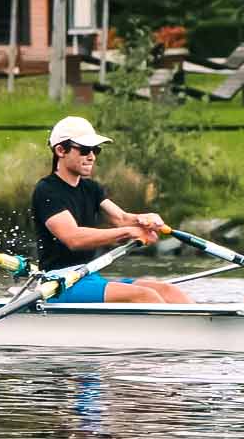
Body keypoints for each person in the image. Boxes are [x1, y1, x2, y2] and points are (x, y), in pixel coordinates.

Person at [30, 116, 192, 304]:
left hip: (88, 277)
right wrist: (129, 232)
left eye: (95, 150)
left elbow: (122, 218)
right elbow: (73, 238)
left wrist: (146, 219)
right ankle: (168, 332)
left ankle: (197, 331)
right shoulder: (47, 190)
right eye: (84, 150)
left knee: (168, 291)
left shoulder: (91, 188)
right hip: (59, 284)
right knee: (144, 296)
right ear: (60, 150)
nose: (92, 156)